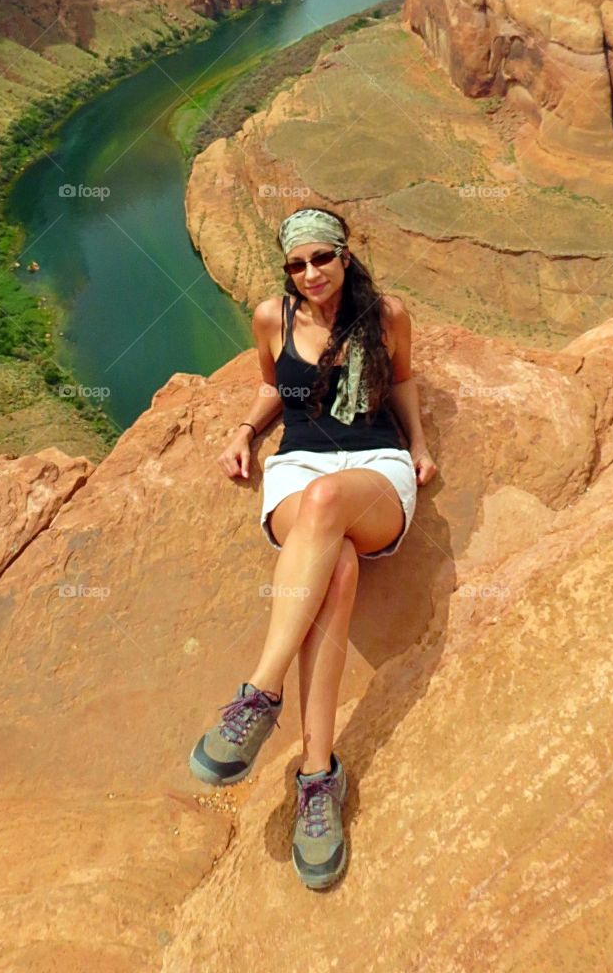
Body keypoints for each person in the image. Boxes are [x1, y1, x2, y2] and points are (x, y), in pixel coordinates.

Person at [189, 205, 438, 890]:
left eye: (321, 258)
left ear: (345, 255)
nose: (310, 274)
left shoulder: (385, 315)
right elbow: (273, 387)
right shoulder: (274, 317)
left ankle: (260, 694)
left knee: (330, 509)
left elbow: (407, 379)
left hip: (374, 475)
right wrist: (245, 429)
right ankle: (317, 776)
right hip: (296, 471)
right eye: (297, 264)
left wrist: (418, 444)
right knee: (339, 564)